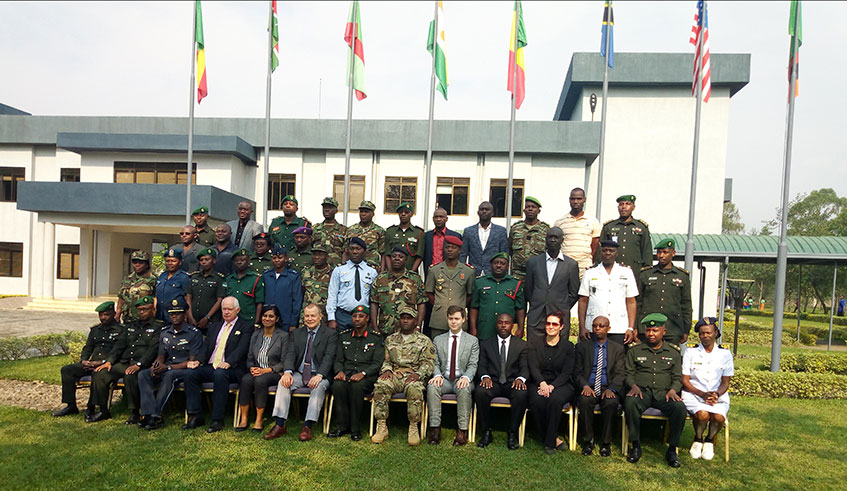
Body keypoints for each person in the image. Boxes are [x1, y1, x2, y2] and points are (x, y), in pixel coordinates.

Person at [265, 304, 338, 442]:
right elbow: (290, 354)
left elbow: (329, 357)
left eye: (313, 315)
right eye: (307, 316)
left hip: (320, 374)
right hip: (299, 373)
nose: (310, 319)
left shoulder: (330, 334)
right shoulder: (297, 333)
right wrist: (287, 372)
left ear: (320, 317)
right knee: (283, 383)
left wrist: (320, 375)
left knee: (317, 387)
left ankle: (307, 426)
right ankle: (279, 424)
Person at [624, 313, 686, 467]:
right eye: (649, 330)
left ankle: (672, 449)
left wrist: (673, 390)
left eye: (655, 331)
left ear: (663, 332)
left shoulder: (673, 352)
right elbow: (628, 373)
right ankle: (635, 445)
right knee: (630, 403)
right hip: (642, 392)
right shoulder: (635, 350)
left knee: (679, 408)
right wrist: (633, 385)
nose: (651, 334)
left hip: (664, 394)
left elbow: (677, 377)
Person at [184, 296, 253, 433]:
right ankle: (196, 415)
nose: (226, 312)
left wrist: (229, 362)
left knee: (220, 374)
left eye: (230, 309)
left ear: (238, 310)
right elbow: (206, 347)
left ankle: (217, 419)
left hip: (232, 368)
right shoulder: (215, 326)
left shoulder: (246, 326)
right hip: (212, 365)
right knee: (190, 373)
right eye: (224, 309)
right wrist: (198, 360)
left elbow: (242, 349)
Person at [371, 305, 436, 446]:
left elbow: (429, 362)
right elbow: (386, 360)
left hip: (413, 375)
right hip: (394, 374)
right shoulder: (391, 339)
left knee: (414, 389)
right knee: (381, 385)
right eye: (403, 318)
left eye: (409, 318)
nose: (405, 321)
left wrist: (419, 374)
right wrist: (386, 370)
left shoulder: (424, 340)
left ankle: (413, 427)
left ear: (415, 321)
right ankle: (382, 426)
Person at [91, 296, 161, 425]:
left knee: (130, 375)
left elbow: (153, 349)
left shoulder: (158, 327)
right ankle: (103, 410)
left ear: (153, 310)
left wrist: (139, 364)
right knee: (100, 373)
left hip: (142, 364)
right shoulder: (130, 326)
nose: (142, 312)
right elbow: (119, 345)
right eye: (139, 310)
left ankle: (134, 413)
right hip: (125, 362)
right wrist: (109, 361)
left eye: (145, 309)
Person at [137, 298, 204, 431]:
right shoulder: (165, 332)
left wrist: (167, 367)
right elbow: (161, 355)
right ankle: (147, 413)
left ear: (184, 315)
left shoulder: (193, 333)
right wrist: (155, 365)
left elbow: (192, 362)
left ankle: (156, 415)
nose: (174, 316)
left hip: (183, 369)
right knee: (143, 374)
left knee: (169, 375)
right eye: (172, 313)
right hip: (167, 367)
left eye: (178, 313)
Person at [52, 301, 121, 422]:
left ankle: (92, 407)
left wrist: (102, 362)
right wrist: (84, 360)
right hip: (92, 363)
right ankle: (71, 406)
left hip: (108, 364)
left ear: (114, 314)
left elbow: (118, 351)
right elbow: (88, 347)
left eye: (107, 314)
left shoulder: (121, 330)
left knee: (98, 373)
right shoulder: (95, 330)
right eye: (101, 315)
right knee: (67, 370)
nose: (103, 317)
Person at [328, 305, 385, 441]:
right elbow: (338, 359)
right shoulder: (344, 336)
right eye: (354, 316)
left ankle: (355, 429)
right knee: (337, 385)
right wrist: (339, 371)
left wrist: (363, 373)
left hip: (366, 377)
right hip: (346, 374)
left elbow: (377, 363)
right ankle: (342, 426)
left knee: (356, 387)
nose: (357, 319)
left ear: (367, 318)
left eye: (361, 316)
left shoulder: (375, 338)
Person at [475, 312, 529, 450]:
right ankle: (486, 431)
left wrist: (520, 379)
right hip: (493, 382)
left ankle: (512, 432)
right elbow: (481, 365)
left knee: (521, 394)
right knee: (481, 392)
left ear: (512, 325)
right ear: (496, 324)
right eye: (500, 322)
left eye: (507, 323)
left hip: (512, 382)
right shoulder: (486, 344)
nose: (503, 325)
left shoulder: (521, 345)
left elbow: (525, 368)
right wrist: (485, 376)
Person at [682, 317, 734, 461]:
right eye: (702, 333)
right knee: (703, 415)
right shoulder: (690, 352)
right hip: (694, 393)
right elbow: (685, 380)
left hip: (717, 394)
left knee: (718, 417)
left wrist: (716, 394)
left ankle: (709, 440)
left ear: (716, 333)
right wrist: (702, 394)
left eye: (709, 333)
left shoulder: (725, 354)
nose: (705, 336)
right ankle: (698, 439)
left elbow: (725, 382)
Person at [426, 306, 479, 446]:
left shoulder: (472, 341)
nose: (453, 322)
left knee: (464, 388)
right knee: (432, 386)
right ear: (447, 319)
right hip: (444, 379)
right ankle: (435, 429)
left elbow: (473, 365)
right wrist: (436, 375)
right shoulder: (438, 340)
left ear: (463, 319)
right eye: (451, 319)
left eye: (457, 319)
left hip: (461, 378)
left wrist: (466, 378)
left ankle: (462, 430)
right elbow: (434, 362)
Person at [574, 315, 625, 457]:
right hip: (588, 386)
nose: (597, 329)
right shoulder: (582, 347)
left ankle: (605, 443)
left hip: (607, 386)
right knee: (584, 401)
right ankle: (588, 441)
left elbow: (620, 374)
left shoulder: (617, 349)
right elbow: (576, 372)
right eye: (595, 326)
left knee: (611, 402)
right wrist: (584, 385)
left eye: (601, 326)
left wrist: (612, 389)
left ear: (608, 329)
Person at [528, 311, 576, 454]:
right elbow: (533, 367)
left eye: (554, 324)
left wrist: (552, 386)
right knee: (537, 400)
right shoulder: (534, 344)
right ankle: (553, 438)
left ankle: (548, 442)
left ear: (561, 327)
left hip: (561, 384)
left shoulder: (568, 347)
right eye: (548, 323)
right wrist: (542, 383)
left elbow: (567, 372)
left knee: (555, 399)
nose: (550, 326)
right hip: (538, 382)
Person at [237, 305, 291, 432]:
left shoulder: (283, 336)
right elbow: (249, 357)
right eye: (265, 316)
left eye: (271, 316)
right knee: (245, 380)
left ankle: (259, 419)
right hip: (257, 370)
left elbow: (284, 361)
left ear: (276, 319)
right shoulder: (256, 334)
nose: (267, 318)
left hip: (274, 372)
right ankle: (244, 419)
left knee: (260, 381)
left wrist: (267, 370)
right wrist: (251, 368)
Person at [524, 227, 580, 348]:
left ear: (562, 240)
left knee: (559, 353)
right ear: (546, 239)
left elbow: (574, 293)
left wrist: (561, 305)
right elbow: (528, 289)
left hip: (559, 317)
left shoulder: (571, 265)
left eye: (556, 237)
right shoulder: (533, 263)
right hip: (536, 316)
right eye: (550, 237)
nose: (553, 240)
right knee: (533, 351)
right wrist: (537, 301)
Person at [578, 240, 638, 345]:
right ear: (600, 253)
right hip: (594, 327)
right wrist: (582, 327)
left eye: (611, 250)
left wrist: (630, 327)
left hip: (619, 326)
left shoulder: (626, 272)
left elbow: (631, 301)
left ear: (617, 253)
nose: (608, 253)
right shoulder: (590, 273)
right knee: (593, 358)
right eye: (605, 250)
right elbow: (583, 301)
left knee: (617, 359)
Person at [637, 238, 692, 346]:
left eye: (665, 252)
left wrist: (686, 330)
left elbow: (686, 305)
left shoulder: (682, 276)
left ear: (673, 253)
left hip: (672, 328)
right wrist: (635, 327)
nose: (661, 255)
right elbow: (638, 302)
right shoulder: (645, 274)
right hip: (648, 329)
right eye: (659, 252)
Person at [425, 235, 474, 339]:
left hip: (459, 318)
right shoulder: (434, 270)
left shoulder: (468, 271)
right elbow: (429, 292)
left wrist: (460, 306)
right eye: (447, 247)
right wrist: (439, 304)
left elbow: (470, 294)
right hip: (439, 318)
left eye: (453, 247)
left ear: (459, 250)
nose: (450, 250)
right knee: (437, 348)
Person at [370, 246, 426, 336]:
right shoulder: (380, 279)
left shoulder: (415, 279)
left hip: (409, 331)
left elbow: (421, 303)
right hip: (385, 330)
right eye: (394, 256)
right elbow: (374, 303)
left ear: (406, 260)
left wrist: (418, 325)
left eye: (400, 257)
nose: (397, 259)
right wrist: (374, 326)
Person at [469, 253, 526, 341]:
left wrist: (520, 328)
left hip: (507, 330)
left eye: (502, 263)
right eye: (496, 263)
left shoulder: (515, 284)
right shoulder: (480, 282)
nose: (499, 266)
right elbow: (474, 307)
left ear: (507, 266)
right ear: (491, 265)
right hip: (485, 329)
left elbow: (520, 309)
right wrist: (473, 328)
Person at [327, 237, 377, 333]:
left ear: (365, 251)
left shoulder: (372, 271)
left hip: (363, 316)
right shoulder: (339, 270)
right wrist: (331, 318)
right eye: (352, 248)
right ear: (348, 251)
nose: (355, 252)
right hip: (342, 316)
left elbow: (373, 298)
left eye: (358, 249)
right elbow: (332, 295)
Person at [597, 195, 652, 272]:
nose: (624, 207)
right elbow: (600, 250)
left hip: (635, 270)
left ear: (633, 207)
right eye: (621, 204)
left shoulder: (641, 227)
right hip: (613, 270)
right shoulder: (609, 227)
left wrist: (646, 271)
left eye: (627, 204)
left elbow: (647, 252)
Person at [554, 188, 601, 279]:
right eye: (573, 199)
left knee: (584, 292)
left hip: (585, 267)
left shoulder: (593, 221)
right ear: (569, 200)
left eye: (579, 199)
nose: (576, 201)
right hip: (565, 266)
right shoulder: (560, 222)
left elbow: (595, 246)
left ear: (584, 200)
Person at [460, 201, 508, 277]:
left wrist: (504, 274)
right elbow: (463, 254)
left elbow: (504, 254)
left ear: (492, 213)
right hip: (473, 273)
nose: (484, 211)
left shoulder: (501, 231)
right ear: (478, 213)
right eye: (482, 209)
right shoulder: (468, 231)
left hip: (493, 274)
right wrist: (462, 272)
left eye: (487, 209)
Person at [262, 244, 303, 333]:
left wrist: (293, 323)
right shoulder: (266, 275)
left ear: (285, 258)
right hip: (268, 319)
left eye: (280, 258)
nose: (277, 260)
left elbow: (297, 300)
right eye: (274, 258)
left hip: (286, 320)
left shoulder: (293, 276)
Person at [509, 196, 550, 281]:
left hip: (538, 274)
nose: (530, 209)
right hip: (517, 274)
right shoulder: (515, 228)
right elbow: (510, 249)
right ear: (524, 211)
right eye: (527, 207)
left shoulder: (546, 230)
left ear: (539, 211)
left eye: (533, 207)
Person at [186, 247, 225, 335]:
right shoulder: (194, 277)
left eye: (207, 259)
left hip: (211, 321)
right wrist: (190, 316)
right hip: (193, 320)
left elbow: (220, 301)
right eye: (201, 260)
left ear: (214, 260)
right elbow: (189, 297)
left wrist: (207, 317)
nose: (203, 262)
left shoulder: (219, 278)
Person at [224, 248, 265, 326]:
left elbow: (259, 302)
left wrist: (256, 322)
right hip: (231, 320)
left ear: (248, 261)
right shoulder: (229, 279)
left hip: (248, 320)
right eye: (236, 260)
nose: (239, 262)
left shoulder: (256, 279)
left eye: (243, 260)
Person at [116, 250, 157, 324]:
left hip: (144, 319)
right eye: (135, 262)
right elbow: (121, 297)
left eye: (141, 263)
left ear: (147, 264)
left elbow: (156, 299)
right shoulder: (128, 278)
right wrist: (118, 313)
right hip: (127, 319)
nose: (137, 265)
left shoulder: (153, 279)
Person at [344, 200, 386, 270]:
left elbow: (383, 253)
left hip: (371, 269)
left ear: (373, 214)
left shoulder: (379, 231)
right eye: (361, 211)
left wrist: (382, 271)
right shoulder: (351, 230)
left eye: (366, 212)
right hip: (352, 268)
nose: (363, 214)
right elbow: (346, 252)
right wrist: (344, 268)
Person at [384, 202, 425, 271]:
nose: (403, 214)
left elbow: (419, 256)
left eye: (406, 212)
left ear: (411, 214)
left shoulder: (419, 233)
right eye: (401, 212)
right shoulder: (390, 232)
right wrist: (390, 272)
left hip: (410, 273)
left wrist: (411, 273)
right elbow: (387, 254)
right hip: (392, 273)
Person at [301, 240, 332, 322]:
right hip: (307, 316)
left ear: (327, 256)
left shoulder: (333, 273)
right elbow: (301, 292)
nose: (317, 257)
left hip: (324, 316)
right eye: (314, 254)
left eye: (320, 255)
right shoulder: (305, 272)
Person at [155, 248, 190, 321]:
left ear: (180, 262)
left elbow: (188, 298)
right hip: (159, 315)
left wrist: (188, 316)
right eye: (167, 261)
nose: (170, 263)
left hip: (175, 317)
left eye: (173, 261)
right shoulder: (162, 276)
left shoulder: (184, 277)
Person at [423, 207, 461, 275]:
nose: (438, 219)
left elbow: (459, 256)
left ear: (446, 219)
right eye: (436, 217)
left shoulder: (455, 236)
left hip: (449, 273)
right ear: (433, 219)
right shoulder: (426, 236)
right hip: (430, 273)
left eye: (441, 217)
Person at [312, 197, 348, 268]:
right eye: (324, 207)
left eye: (330, 207)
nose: (326, 210)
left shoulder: (344, 230)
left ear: (336, 210)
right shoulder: (315, 228)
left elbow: (346, 252)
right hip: (318, 270)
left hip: (336, 268)